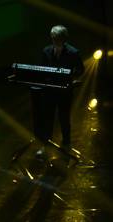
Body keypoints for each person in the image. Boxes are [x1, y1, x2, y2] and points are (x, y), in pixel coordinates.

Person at [35, 25, 84, 155]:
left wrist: (70, 75)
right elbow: (42, 68)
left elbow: (80, 69)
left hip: (64, 91)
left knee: (64, 118)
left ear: (63, 38)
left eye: (57, 38)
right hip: (49, 91)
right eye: (53, 38)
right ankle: (46, 145)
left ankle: (66, 144)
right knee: (48, 118)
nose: (54, 40)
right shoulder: (46, 50)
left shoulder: (73, 52)